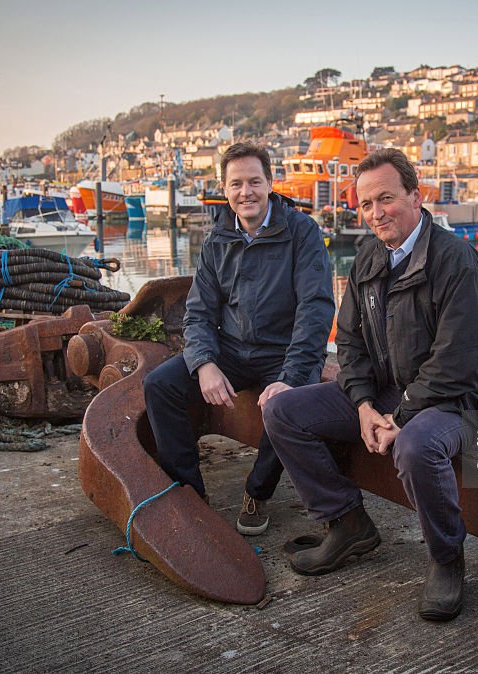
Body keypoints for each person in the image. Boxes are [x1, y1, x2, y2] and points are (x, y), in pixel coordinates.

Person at [263, 148, 478, 621]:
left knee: (415, 448)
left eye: (387, 199)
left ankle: (446, 558)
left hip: (461, 402)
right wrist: (363, 406)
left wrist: (401, 416)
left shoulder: (457, 262)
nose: (376, 213)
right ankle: (347, 522)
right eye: (367, 204)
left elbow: (456, 361)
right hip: (391, 393)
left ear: (417, 196)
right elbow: (349, 344)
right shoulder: (369, 258)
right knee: (282, 411)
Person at [143, 142, 335, 535]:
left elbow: (315, 310)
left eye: (254, 182)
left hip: (284, 353)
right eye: (236, 184)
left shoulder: (302, 233)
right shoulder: (218, 240)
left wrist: (292, 375)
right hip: (231, 350)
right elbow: (198, 313)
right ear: (224, 189)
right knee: (160, 386)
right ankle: (188, 491)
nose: (245, 192)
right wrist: (204, 363)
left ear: (269, 183)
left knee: (287, 405)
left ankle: (256, 491)